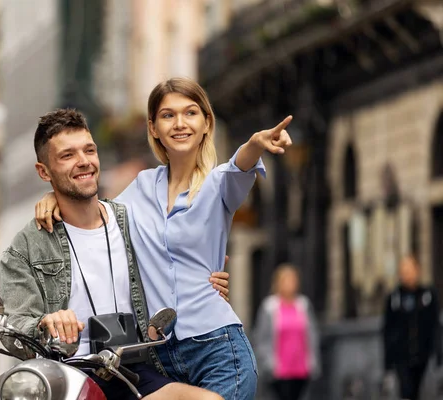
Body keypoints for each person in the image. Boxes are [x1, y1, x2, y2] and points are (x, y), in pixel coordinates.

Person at [35, 77, 293, 399]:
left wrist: (256, 143)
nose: (180, 123)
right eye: (168, 115)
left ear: (206, 123)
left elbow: (240, 165)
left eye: (191, 113)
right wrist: (53, 197)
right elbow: (92, 213)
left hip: (217, 349)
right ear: (153, 127)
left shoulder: (218, 186)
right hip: (159, 357)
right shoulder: (141, 187)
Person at [0, 108, 223, 400]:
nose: (83, 162)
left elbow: (179, 264)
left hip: (131, 368)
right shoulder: (24, 249)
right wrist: (46, 325)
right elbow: (15, 327)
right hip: (67, 378)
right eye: (67, 156)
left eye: (89, 150)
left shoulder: (134, 221)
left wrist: (210, 280)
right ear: (44, 171)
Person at [253, 264, 320, 400]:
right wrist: (268, 363)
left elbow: (312, 335)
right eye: (286, 280)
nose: (291, 284)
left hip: (301, 369)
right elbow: (261, 338)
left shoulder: (303, 305)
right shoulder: (269, 307)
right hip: (279, 371)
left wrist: (313, 362)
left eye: (293, 280)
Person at [382, 255, 442, 400]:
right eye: (403, 271)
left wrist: (438, 353)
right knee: (406, 391)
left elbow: (435, 325)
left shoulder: (427, 296)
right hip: (401, 356)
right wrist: (388, 362)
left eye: (409, 270)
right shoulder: (394, 298)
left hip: (425, 355)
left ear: (417, 270)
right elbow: (387, 330)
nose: (406, 275)